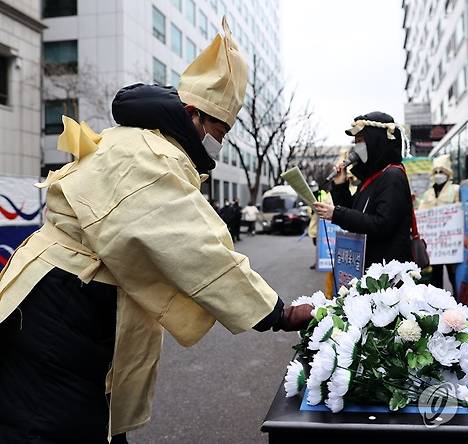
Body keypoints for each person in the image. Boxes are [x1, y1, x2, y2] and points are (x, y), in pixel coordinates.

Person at [0, 18, 312, 443]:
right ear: (192, 115)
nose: (219, 142)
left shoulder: (141, 142)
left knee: (73, 412)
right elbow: (196, 248)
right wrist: (276, 312)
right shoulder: (152, 155)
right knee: (50, 421)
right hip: (65, 299)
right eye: (219, 130)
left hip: (62, 291)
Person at [313, 112, 413, 268]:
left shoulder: (392, 175)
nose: (357, 147)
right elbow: (356, 213)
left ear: (377, 141)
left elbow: (382, 225)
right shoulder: (373, 177)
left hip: (387, 272)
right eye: (355, 142)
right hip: (369, 266)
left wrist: (336, 214)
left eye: (361, 140)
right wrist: (340, 186)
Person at [418, 154, 460, 290]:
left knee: (454, 276)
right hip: (435, 246)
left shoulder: (455, 190)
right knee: (435, 278)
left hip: (450, 244)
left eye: (441, 171)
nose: (438, 175)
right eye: (435, 172)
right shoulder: (428, 193)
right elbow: (421, 213)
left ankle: (457, 302)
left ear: (448, 173)